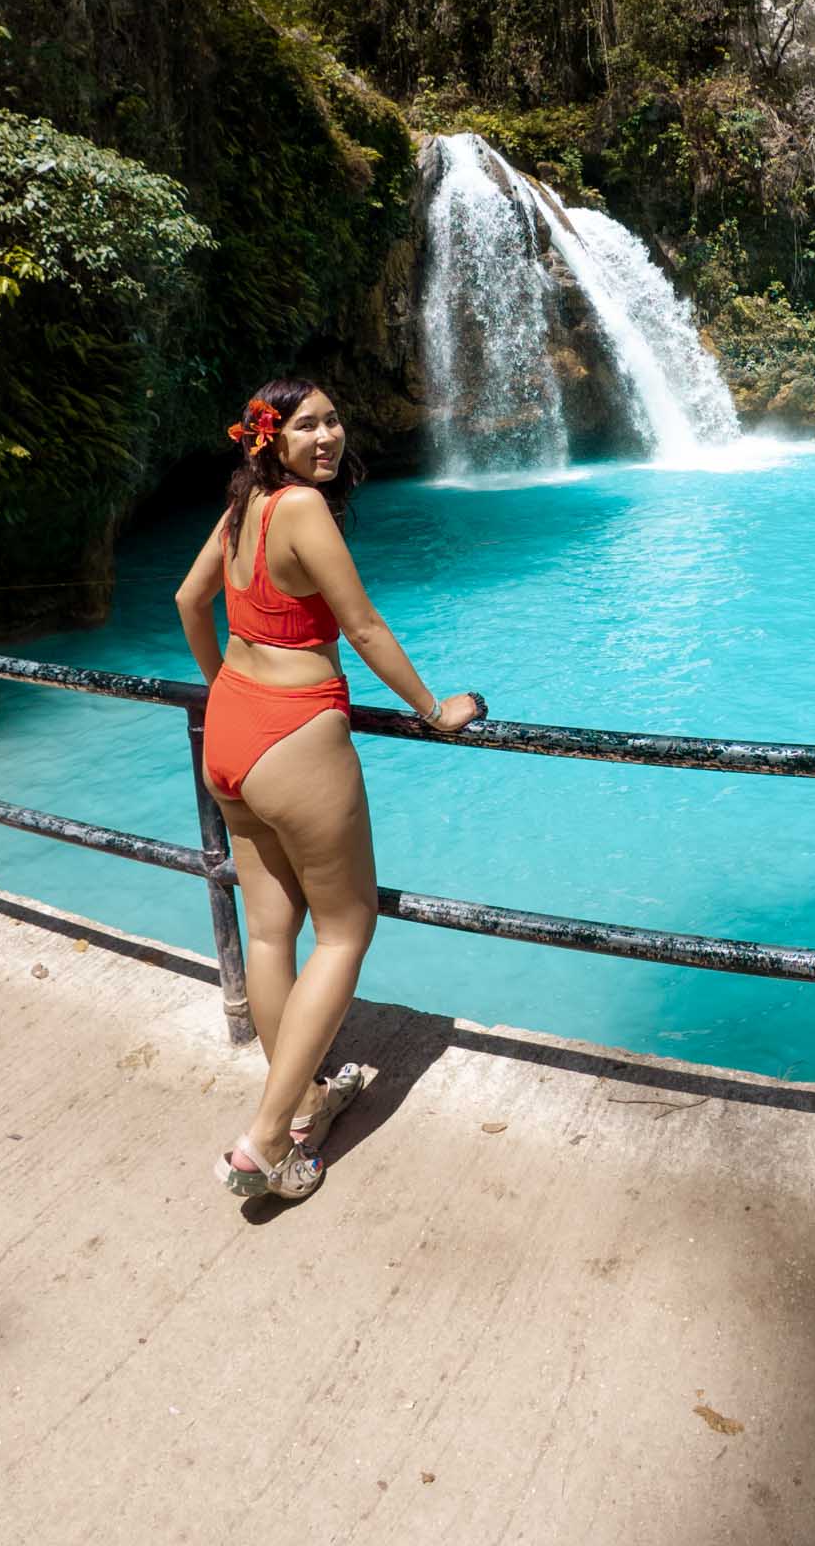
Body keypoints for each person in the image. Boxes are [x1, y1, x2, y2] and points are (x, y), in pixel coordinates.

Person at [175, 376, 485, 1203]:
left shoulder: (243, 506)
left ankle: (304, 1099)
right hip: (295, 733)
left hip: (231, 731)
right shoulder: (303, 508)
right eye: (307, 425)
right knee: (347, 931)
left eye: (334, 420)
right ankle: (267, 1141)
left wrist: (225, 687)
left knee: (270, 933)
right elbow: (365, 626)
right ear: (270, 438)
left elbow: (190, 599)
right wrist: (434, 712)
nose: (328, 437)